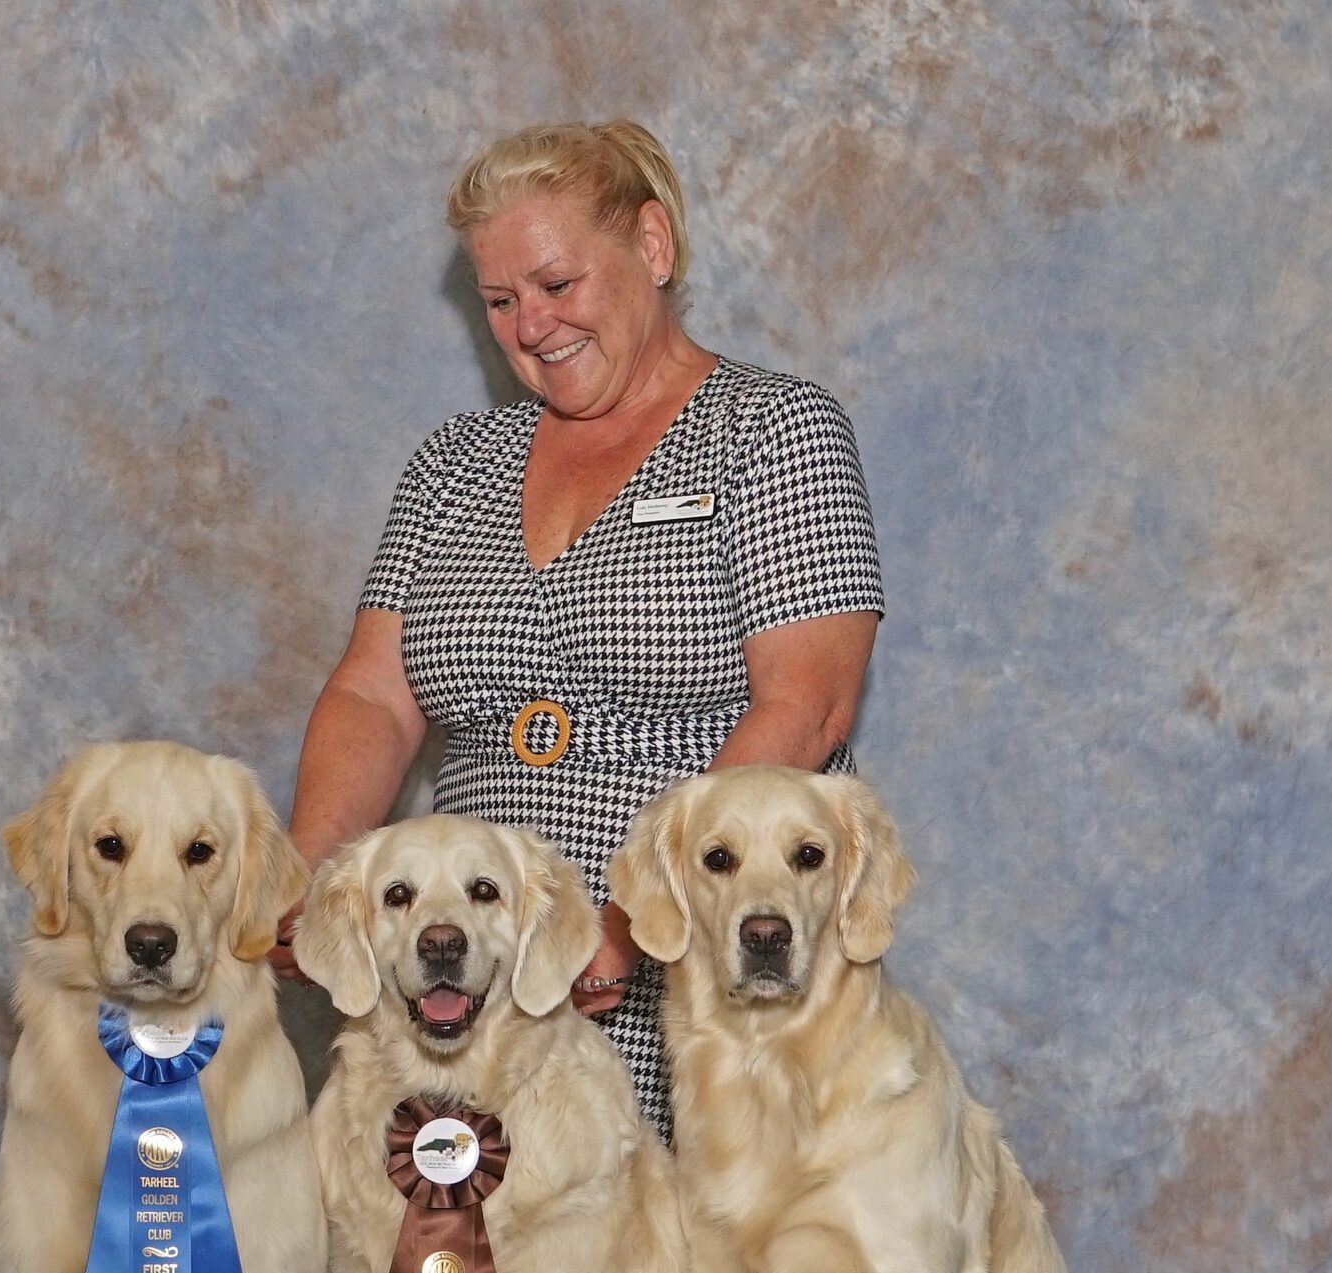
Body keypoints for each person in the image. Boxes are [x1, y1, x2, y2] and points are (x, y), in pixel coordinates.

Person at [274, 119, 884, 1139]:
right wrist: (304, 876)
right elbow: (374, 692)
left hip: (696, 974)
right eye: (500, 301)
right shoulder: (451, 463)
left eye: (557, 286)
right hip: (460, 976)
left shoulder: (772, 432)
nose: (531, 326)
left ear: (651, 247)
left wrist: (635, 916)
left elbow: (807, 703)